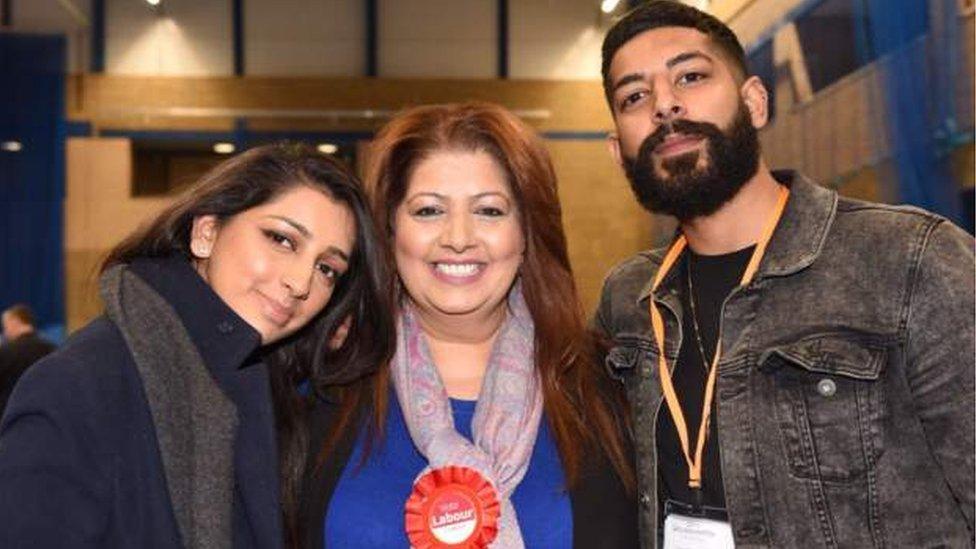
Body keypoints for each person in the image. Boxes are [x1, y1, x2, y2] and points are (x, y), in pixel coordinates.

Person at [595, 2, 975, 548]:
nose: (665, 105)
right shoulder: (627, 299)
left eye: (691, 76)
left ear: (754, 102)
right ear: (617, 150)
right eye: (634, 96)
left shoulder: (910, 262)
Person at [0, 143, 395, 548]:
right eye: (281, 239)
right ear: (206, 233)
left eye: (327, 268)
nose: (301, 282)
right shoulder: (81, 385)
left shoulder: (267, 393)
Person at [297, 102, 637, 549]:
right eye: (428, 211)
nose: (458, 238)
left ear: (527, 234)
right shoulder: (321, 384)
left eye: (490, 211)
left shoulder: (607, 390)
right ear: (389, 231)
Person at [0, 304, 56, 416]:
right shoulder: (52, 349)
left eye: (5, 326)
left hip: (9, 416)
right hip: (45, 414)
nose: (4, 332)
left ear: (15, 321)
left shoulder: (6, 351)